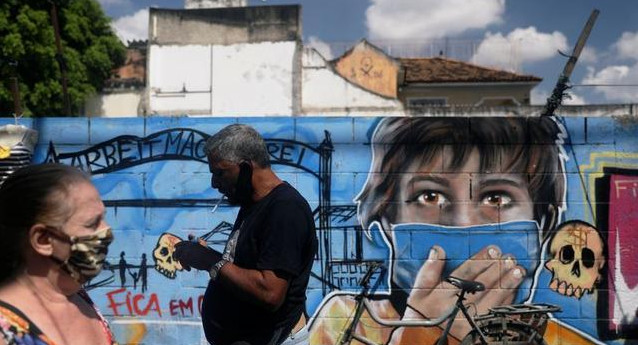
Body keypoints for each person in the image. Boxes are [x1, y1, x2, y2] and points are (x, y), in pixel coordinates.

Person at [309, 117, 597, 345]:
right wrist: (420, 335)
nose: (464, 224)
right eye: (430, 197)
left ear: (542, 224)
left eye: (496, 198)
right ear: (388, 221)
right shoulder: (351, 321)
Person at [174, 124, 318, 345]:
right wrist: (203, 255)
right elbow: (243, 269)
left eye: (220, 173)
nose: (214, 183)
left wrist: (211, 261)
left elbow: (270, 292)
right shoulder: (253, 203)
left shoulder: (285, 209)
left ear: (245, 168)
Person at [0, 163, 117, 345]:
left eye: (103, 218)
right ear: (43, 240)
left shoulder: (79, 297)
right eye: (92, 224)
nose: (107, 231)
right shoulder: (6, 333)